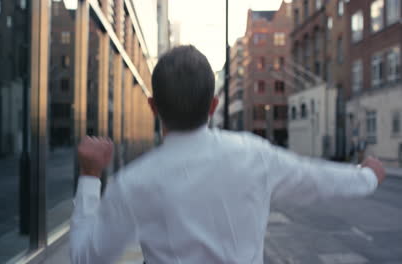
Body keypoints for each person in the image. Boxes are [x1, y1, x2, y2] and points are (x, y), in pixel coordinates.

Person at [70, 45, 385, 264]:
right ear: (214, 106)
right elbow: (319, 180)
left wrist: (89, 176)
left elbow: (87, 259)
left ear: (153, 108)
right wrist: (369, 175)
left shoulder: (132, 183)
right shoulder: (254, 155)